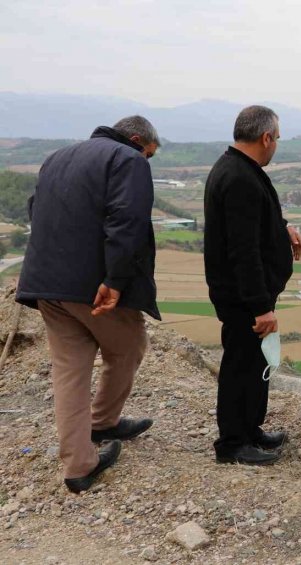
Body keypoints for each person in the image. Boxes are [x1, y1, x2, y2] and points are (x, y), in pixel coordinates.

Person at [16, 116, 161, 493]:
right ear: (136, 140)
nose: (148, 160)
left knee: (69, 371)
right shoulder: (128, 159)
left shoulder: (57, 157)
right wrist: (114, 280)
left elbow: (36, 211)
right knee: (129, 348)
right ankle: (104, 422)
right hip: (92, 288)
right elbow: (126, 220)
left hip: (45, 284)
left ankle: (79, 465)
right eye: (150, 153)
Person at [204, 105, 301, 466]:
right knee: (239, 366)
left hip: (247, 294)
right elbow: (243, 251)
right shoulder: (240, 178)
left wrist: (284, 229)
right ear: (265, 137)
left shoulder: (239, 169)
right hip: (243, 298)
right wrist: (260, 306)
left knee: (253, 363)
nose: (276, 145)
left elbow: (257, 222)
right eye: (276, 138)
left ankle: (249, 430)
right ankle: (232, 444)